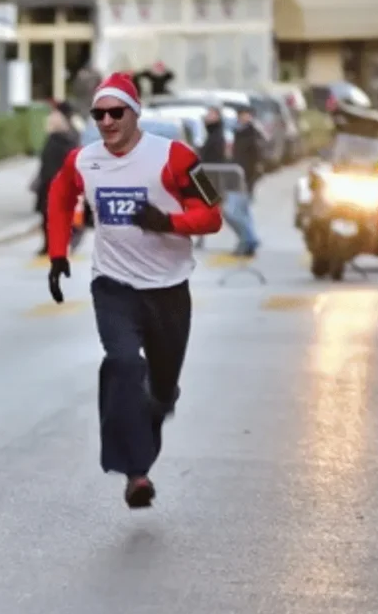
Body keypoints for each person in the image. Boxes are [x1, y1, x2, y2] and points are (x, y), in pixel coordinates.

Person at [45, 72, 223, 509]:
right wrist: (57, 254)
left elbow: (213, 214)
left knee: (160, 392)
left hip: (168, 289)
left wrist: (169, 222)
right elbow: (59, 195)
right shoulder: (84, 160)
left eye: (115, 112)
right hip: (114, 284)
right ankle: (136, 473)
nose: (106, 121)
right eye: (98, 114)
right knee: (122, 363)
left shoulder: (176, 157)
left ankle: (161, 399)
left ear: (134, 112)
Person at [33, 105, 80, 256]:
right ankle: (48, 244)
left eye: (53, 117)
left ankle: (62, 243)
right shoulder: (52, 138)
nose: (49, 120)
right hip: (46, 183)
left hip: (58, 185)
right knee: (46, 216)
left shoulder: (66, 138)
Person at [225, 106, 262, 256]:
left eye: (246, 115)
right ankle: (247, 241)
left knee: (232, 211)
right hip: (236, 178)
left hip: (245, 180)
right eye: (240, 115)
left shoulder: (253, 135)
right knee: (242, 213)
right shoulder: (237, 133)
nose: (242, 118)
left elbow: (257, 162)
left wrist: (251, 180)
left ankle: (250, 239)